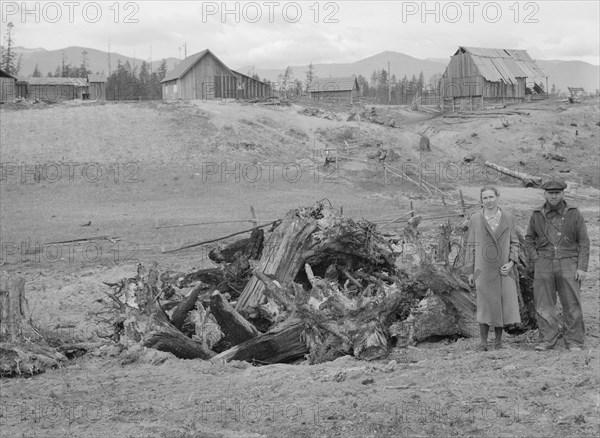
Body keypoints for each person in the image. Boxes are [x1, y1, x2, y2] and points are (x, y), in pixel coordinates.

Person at [525, 180, 590, 351]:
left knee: (572, 303)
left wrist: (582, 267)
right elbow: (529, 239)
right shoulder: (537, 214)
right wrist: (536, 259)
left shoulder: (574, 214)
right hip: (544, 262)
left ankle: (574, 341)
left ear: (563, 194)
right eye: (550, 193)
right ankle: (547, 340)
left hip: (569, 261)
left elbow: (584, 242)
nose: (553, 196)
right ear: (544, 194)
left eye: (557, 193)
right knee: (543, 303)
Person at [464, 186, 521, 351]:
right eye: (485, 198)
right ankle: (483, 342)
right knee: (484, 304)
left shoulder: (508, 217)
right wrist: (470, 272)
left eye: (491, 197)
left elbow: (514, 242)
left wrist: (511, 263)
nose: (488, 201)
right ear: (481, 201)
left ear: (498, 197)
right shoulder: (475, 218)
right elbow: (470, 246)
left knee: (500, 304)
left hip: (503, 269)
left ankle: (498, 341)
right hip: (482, 269)